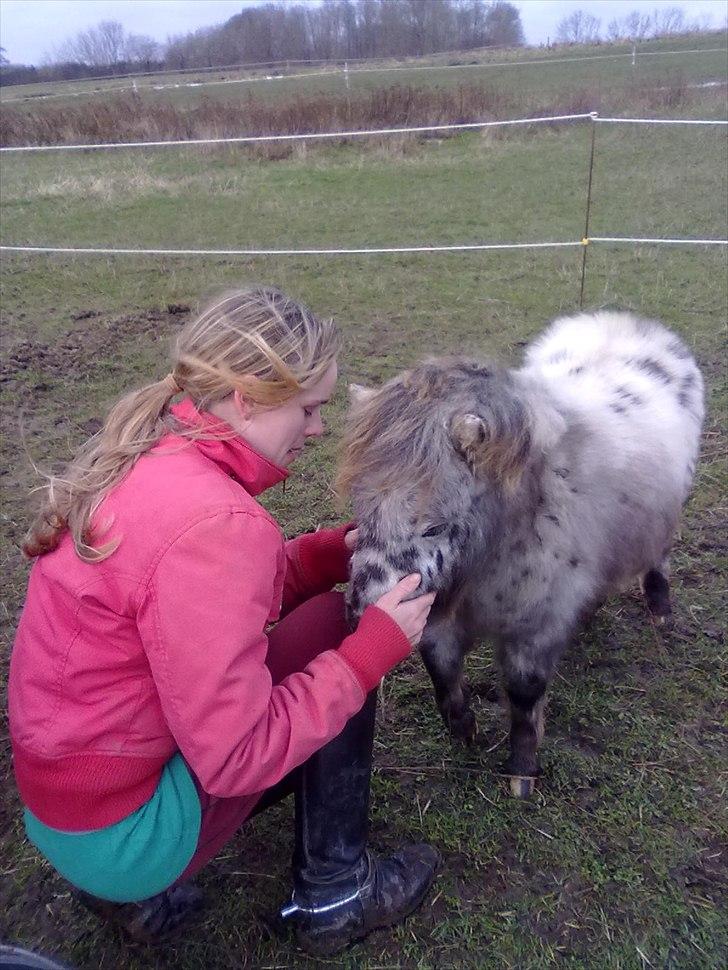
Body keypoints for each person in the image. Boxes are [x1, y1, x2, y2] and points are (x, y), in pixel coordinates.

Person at [8, 286, 439, 958]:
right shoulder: (216, 523)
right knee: (343, 629)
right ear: (247, 399)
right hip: (124, 836)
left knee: (327, 632)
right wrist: (368, 655)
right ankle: (336, 893)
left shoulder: (149, 453)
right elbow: (239, 757)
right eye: (309, 408)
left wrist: (321, 553)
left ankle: (129, 897)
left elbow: (193, 616)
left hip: (66, 814)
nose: (318, 429)